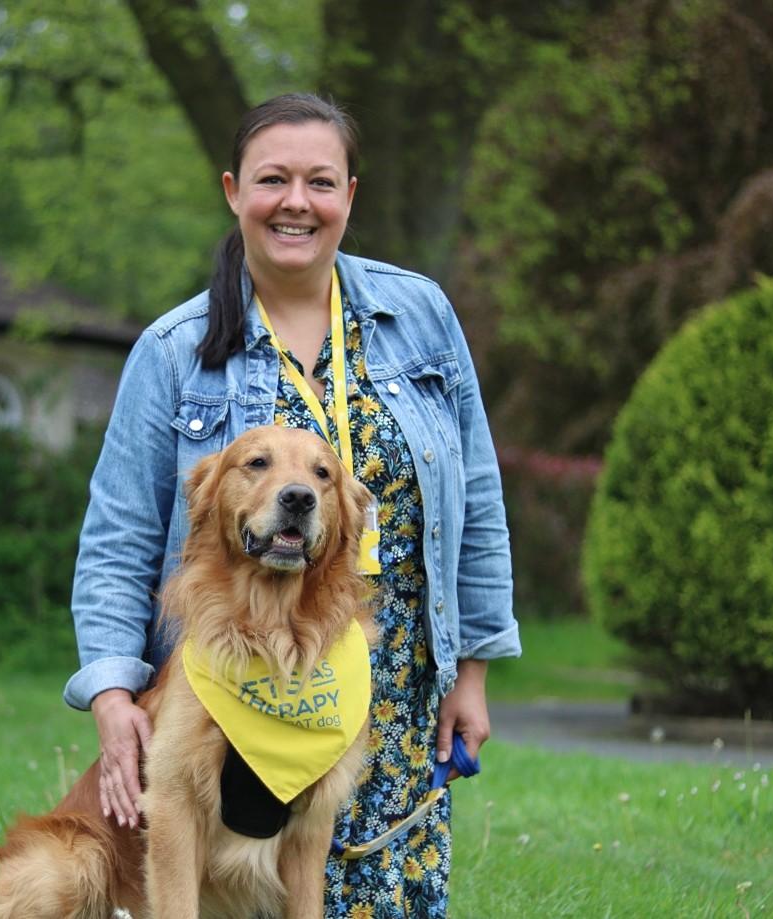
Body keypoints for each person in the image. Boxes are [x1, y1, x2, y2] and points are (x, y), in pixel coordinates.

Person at [63, 93, 519, 916]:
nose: (296, 202)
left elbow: (477, 498)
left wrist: (472, 671)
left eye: (320, 181)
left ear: (350, 195)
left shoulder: (420, 317)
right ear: (234, 190)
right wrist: (110, 693)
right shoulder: (173, 350)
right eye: (274, 179)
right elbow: (118, 539)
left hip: (393, 685)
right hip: (233, 680)